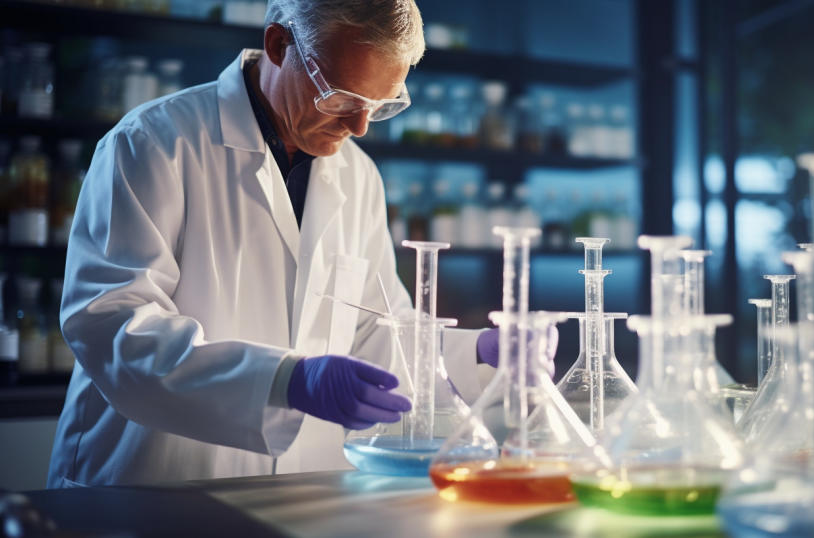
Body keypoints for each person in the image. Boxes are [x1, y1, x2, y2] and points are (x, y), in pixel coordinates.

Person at [47, 0, 556, 488]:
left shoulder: (358, 175)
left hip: (302, 490)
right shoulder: (154, 143)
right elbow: (115, 327)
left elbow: (377, 334)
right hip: (150, 488)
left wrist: (480, 353)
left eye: (380, 106)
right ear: (277, 44)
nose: (359, 127)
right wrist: (284, 382)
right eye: (342, 98)